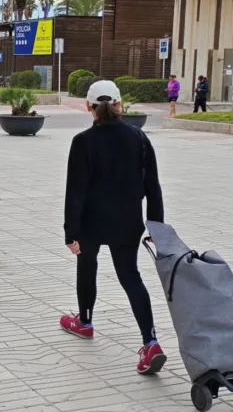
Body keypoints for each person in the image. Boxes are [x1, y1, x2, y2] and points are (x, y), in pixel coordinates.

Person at [61, 79, 168, 375]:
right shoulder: (139, 138)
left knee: (87, 265)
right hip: (128, 223)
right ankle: (150, 341)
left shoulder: (82, 142)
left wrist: (71, 231)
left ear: (88, 107)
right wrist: (156, 227)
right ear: (120, 105)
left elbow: (76, 191)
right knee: (130, 276)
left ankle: (85, 321)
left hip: (91, 223)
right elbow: (153, 188)